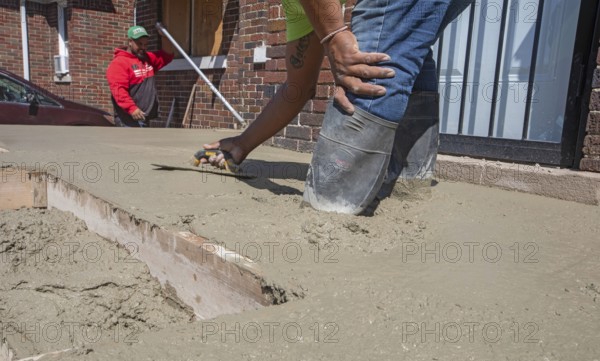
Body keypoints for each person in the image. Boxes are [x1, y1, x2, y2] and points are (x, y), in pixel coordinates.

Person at [203, 0, 473, 214]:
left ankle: (329, 210)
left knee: (368, 54)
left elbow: (341, 45)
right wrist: (242, 143)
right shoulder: (297, 6)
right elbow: (298, 88)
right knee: (407, 45)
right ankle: (408, 185)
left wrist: (334, 36)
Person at [106, 25, 174, 127]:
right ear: (130, 42)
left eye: (145, 44)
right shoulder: (119, 63)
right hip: (129, 120)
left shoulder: (147, 58)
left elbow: (167, 55)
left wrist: (164, 36)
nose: (143, 47)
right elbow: (119, 90)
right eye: (139, 44)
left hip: (143, 117)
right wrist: (132, 108)